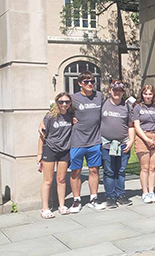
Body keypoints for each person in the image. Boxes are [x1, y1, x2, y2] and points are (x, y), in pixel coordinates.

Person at [46, 71, 105, 212]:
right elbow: (57, 107)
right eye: (86, 82)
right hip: (77, 142)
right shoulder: (73, 98)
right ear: (80, 84)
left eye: (92, 81)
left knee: (94, 170)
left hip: (94, 141)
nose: (90, 84)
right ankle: (76, 201)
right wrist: (43, 122)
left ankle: (93, 198)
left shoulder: (99, 96)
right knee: (75, 172)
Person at [37, 92, 74, 218]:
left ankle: (62, 205)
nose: (64, 104)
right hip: (50, 149)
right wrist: (39, 153)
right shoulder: (50, 117)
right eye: (61, 102)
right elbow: (42, 136)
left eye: (67, 102)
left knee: (61, 179)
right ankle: (45, 209)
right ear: (57, 103)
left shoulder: (71, 116)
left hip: (64, 150)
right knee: (48, 180)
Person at [101, 80, 135, 208]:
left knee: (120, 170)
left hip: (122, 144)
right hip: (106, 144)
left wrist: (131, 141)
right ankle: (110, 197)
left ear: (123, 92)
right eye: (115, 90)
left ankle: (121, 195)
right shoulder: (103, 104)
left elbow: (131, 125)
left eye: (120, 90)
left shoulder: (127, 107)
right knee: (109, 171)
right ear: (110, 91)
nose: (117, 93)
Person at [133, 85, 155, 203]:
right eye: (145, 94)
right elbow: (136, 125)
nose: (148, 96)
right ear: (142, 94)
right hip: (143, 138)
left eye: (150, 94)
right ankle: (145, 193)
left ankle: (152, 191)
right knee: (145, 168)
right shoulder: (137, 107)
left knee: (152, 168)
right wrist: (146, 139)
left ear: (153, 95)